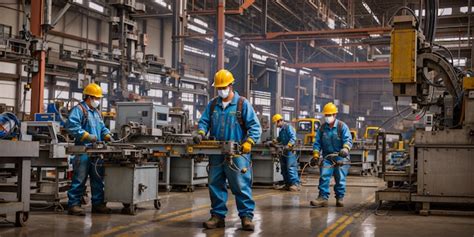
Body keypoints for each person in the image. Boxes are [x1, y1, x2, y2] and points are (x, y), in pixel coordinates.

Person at [194, 69, 261, 231]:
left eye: (224, 87)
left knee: (240, 185)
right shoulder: (212, 105)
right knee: (215, 184)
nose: (221, 90)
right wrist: (201, 133)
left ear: (231, 85)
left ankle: (246, 217)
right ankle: (217, 216)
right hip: (216, 153)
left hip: (238, 153)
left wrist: (249, 142)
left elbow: (255, 126)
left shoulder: (242, 104)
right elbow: (203, 122)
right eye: (219, 87)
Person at [66, 83, 114, 216]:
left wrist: (107, 135)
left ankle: (98, 204)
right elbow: (71, 126)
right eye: (96, 98)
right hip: (83, 151)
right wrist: (86, 136)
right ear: (89, 97)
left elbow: (102, 127)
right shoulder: (79, 110)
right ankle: (74, 205)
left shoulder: (97, 112)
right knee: (79, 179)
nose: (97, 101)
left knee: (98, 179)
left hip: (97, 152)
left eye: (98, 98)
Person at [309, 102, 352, 208]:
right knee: (324, 176)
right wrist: (315, 155)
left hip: (340, 156)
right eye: (326, 115)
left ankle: (339, 197)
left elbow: (348, 140)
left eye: (330, 115)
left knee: (340, 178)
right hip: (327, 157)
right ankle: (323, 198)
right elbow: (317, 143)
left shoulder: (342, 127)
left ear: (335, 115)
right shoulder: (322, 129)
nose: (328, 117)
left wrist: (345, 149)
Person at [271, 114, 300, 191]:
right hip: (284, 150)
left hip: (290, 150)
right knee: (284, 167)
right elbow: (280, 139)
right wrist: (276, 140)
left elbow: (293, 137)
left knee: (290, 167)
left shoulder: (288, 127)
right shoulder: (281, 130)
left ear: (280, 121)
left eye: (276, 123)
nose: (276, 125)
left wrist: (289, 145)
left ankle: (295, 184)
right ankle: (287, 184)